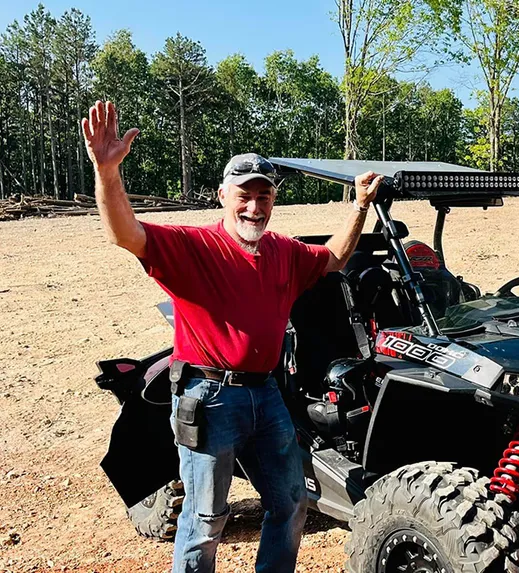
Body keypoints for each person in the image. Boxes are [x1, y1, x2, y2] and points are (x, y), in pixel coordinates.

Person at [81, 100, 382, 573]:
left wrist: (361, 205)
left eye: (264, 197)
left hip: (267, 395)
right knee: (205, 522)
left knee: (290, 504)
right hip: (209, 396)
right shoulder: (193, 247)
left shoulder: (283, 251)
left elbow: (334, 259)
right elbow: (124, 233)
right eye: (244, 195)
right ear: (222, 195)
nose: (254, 206)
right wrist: (107, 170)